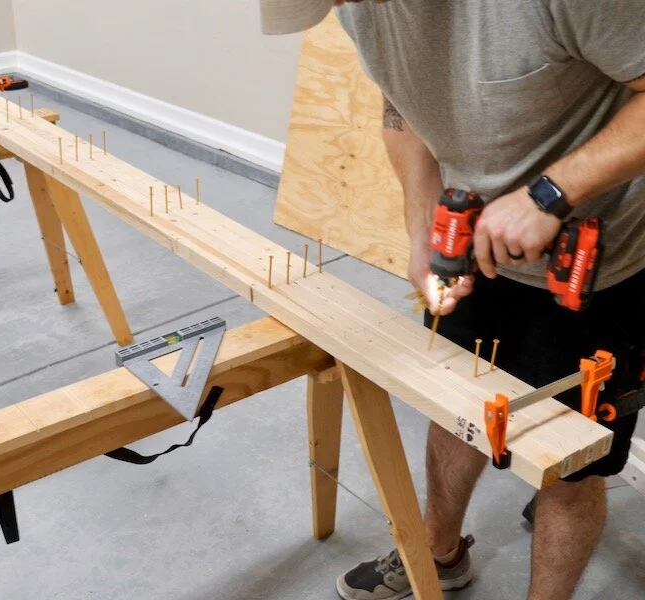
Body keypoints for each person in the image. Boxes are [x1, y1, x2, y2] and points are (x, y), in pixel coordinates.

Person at [259, 1, 645, 599]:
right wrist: (423, 230)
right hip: (474, 243)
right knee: (456, 406)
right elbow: (403, 111)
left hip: (603, 259)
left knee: (572, 467)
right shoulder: (357, 6)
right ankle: (438, 553)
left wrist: (550, 194)